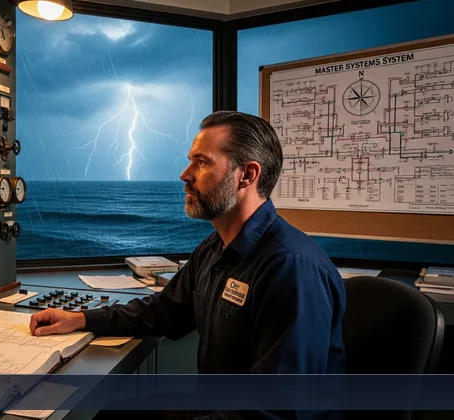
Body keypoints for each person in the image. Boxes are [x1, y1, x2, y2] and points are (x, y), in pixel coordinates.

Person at [28, 111, 346, 418]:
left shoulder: (290, 269)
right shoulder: (214, 249)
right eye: (191, 160)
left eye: (202, 162)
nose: (185, 174)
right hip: (211, 404)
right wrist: (81, 319)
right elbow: (163, 312)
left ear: (247, 175)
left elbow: (277, 409)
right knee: (110, 409)